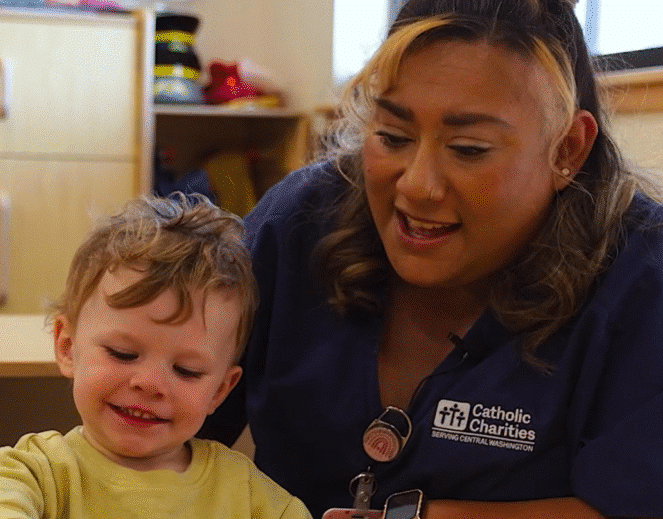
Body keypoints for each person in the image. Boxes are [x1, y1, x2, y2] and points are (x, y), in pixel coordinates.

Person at [200, 0, 663, 518]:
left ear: (567, 150)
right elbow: (160, 418)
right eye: (392, 137)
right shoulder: (299, 223)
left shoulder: (642, 277)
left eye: (468, 149)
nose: (417, 186)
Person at [0, 194, 312, 519]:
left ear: (220, 390)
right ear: (68, 346)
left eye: (186, 370)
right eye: (122, 354)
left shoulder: (246, 494)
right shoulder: (36, 473)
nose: (150, 384)